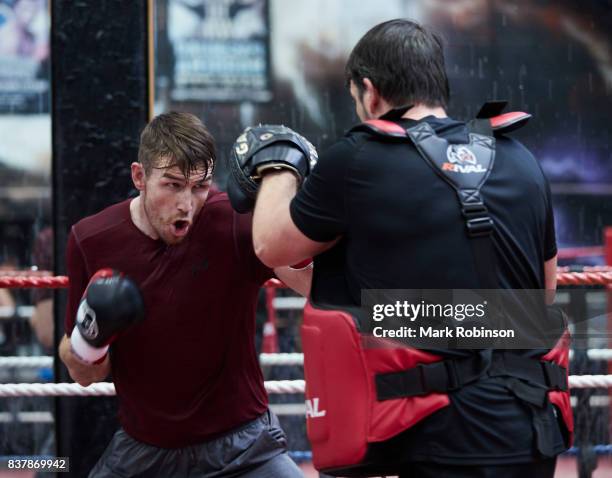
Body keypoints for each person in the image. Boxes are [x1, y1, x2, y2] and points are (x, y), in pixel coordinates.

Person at [234, 19, 569, 478]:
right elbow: (543, 296)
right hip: (531, 430)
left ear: (369, 92)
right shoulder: (519, 159)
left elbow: (270, 242)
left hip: (441, 435)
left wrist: (277, 162)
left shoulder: (359, 159)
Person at [58, 112, 307, 477]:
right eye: (172, 185)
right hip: (144, 452)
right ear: (139, 177)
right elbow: (83, 375)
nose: (187, 204)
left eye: (200, 186)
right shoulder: (91, 240)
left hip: (245, 448)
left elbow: (315, 284)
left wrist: (285, 185)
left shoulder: (232, 223)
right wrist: (91, 336)